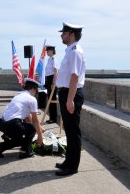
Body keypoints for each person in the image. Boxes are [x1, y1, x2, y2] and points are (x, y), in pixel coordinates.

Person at [55, 22, 86, 176]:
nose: (62, 35)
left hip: (71, 94)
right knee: (69, 130)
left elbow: (74, 76)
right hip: (66, 93)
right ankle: (68, 161)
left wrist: (70, 100)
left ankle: (72, 166)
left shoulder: (75, 51)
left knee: (73, 132)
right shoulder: (70, 51)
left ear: (71, 34)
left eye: (64, 32)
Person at [0, 78, 44, 159]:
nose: (35, 93)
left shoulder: (18, 95)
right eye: (36, 91)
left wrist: (40, 129)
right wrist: (40, 136)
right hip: (12, 125)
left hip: (1, 123)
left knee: (19, 140)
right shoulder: (32, 99)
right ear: (34, 89)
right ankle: (24, 152)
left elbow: (28, 118)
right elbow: (34, 120)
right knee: (32, 128)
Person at [44, 46, 58, 124]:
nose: (47, 52)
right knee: (49, 98)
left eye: (48, 51)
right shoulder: (49, 59)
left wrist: (53, 83)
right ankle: (51, 117)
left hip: (52, 79)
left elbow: (55, 71)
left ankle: (53, 118)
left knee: (52, 99)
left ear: (52, 51)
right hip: (48, 79)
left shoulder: (53, 59)